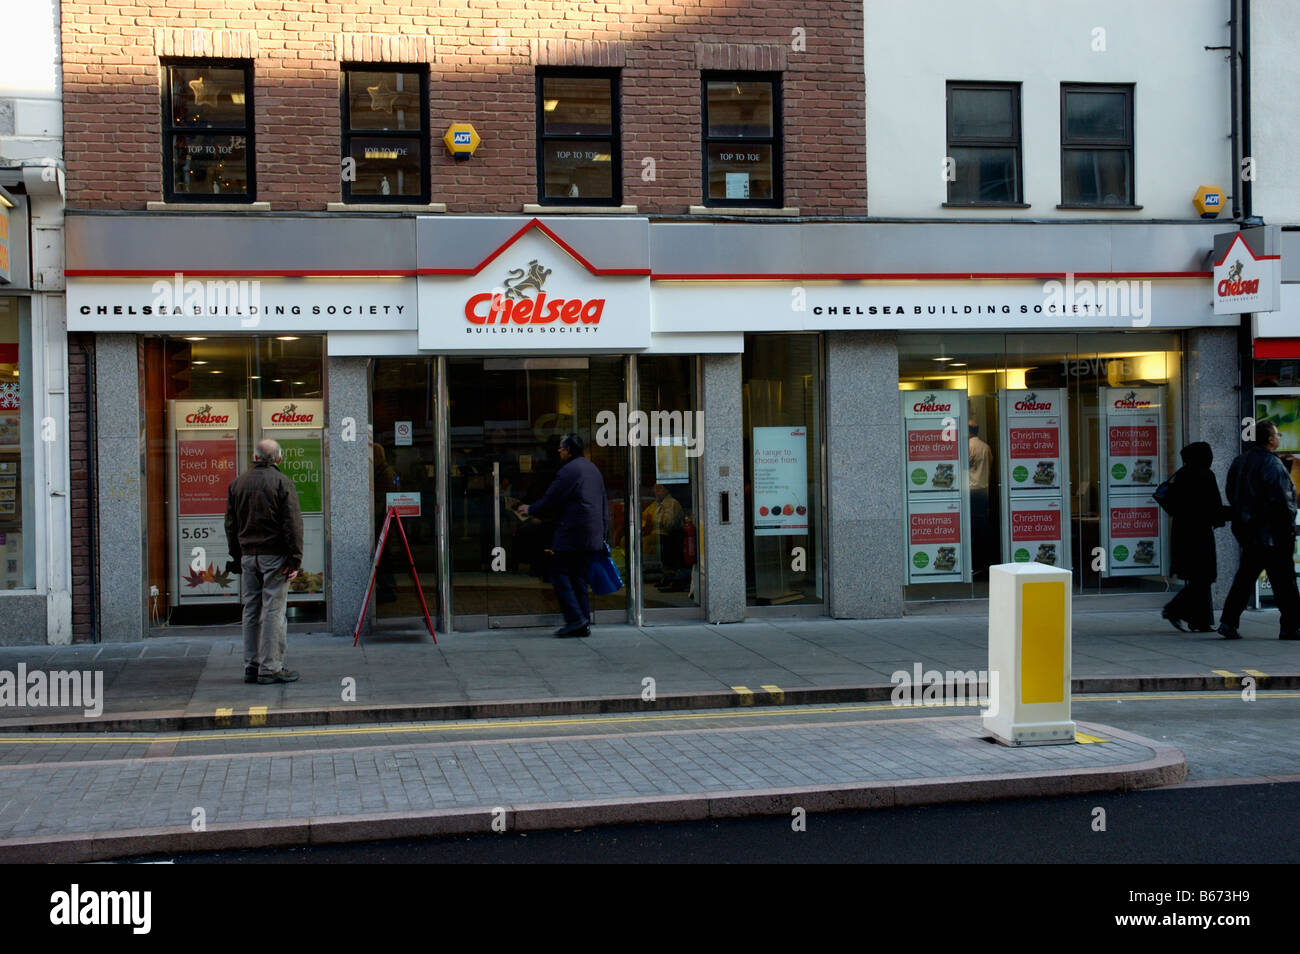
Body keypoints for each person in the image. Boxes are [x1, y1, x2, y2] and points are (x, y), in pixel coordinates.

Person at [225, 438, 304, 683]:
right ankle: (270, 667)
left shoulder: (237, 484)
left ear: (255, 457)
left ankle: (251, 665)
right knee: (273, 610)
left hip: (248, 556)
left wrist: (237, 556)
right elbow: (292, 524)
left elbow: (230, 525)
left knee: (250, 610)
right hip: (275, 557)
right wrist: (295, 559)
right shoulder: (283, 483)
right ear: (278, 459)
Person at [518, 433, 608, 638]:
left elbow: (552, 498)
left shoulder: (569, 471)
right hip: (592, 532)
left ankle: (576, 619)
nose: (559, 450)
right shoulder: (592, 468)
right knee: (578, 576)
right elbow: (603, 502)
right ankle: (583, 620)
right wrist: (604, 531)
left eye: (561, 447)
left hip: (574, 533)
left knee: (558, 571)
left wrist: (530, 509)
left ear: (569, 450)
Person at [1217, 421, 1300, 640]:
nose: (1279, 437)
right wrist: (1289, 529)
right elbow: (1283, 500)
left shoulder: (1241, 461)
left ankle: (1228, 621)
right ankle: (1291, 626)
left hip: (1249, 531)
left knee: (1244, 579)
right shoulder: (1272, 465)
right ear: (1270, 439)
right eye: (1277, 434)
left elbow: (1231, 490)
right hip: (1272, 533)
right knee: (1285, 582)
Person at [1160, 442, 1228, 632]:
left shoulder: (1182, 474)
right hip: (1199, 533)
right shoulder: (1205, 475)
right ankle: (1174, 609)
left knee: (1198, 578)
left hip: (1183, 532)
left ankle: (1200, 620)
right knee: (1203, 577)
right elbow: (1213, 506)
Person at [642, 483, 685, 588]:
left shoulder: (672, 504)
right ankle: (665, 575)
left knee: (646, 542)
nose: (656, 492)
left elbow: (669, 524)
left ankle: (669, 575)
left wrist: (654, 521)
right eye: (655, 490)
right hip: (655, 533)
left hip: (667, 534)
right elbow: (644, 517)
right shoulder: (655, 504)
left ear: (666, 490)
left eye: (659, 489)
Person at [968, 419, 994, 572]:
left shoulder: (969, 447)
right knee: (982, 527)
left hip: (971, 491)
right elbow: (990, 464)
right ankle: (983, 562)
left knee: (972, 527)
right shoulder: (986, 447)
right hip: (984, 490)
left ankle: (976, 562)